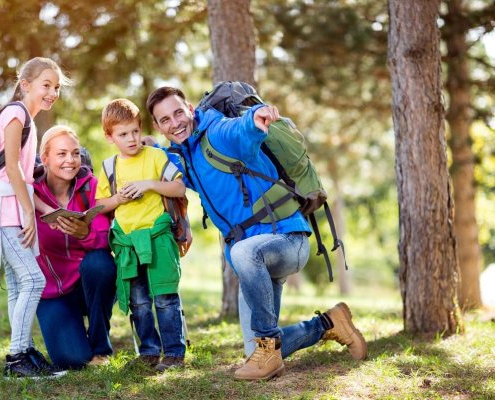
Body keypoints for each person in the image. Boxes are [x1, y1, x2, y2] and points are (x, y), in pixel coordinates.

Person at [146, 86, 367, 381]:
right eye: (165, 120)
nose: (175, 123)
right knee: (257, 350)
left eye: (178, 113)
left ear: (189, 108)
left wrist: (255, 117)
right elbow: (173, 167)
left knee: (242, 253)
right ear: (158, 126)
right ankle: (329, 323)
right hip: (255, 258)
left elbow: (239, 130)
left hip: (287, 240)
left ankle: (268, 344)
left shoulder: (217, 133)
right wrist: (147, 149)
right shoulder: (187, 157)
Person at [0, 57, 72, 378]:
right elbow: (13, 168)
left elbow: (23, 177)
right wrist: (29, 212)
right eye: (46, 85)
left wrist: (46, 211)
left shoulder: (27, 118)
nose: (52, 92)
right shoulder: (16, 113)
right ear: (26, 84)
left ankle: (25, 351)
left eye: (56, 87)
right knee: (34, 280)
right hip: (4, 212)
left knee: (19, 285)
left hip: (11, 209)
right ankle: (17, 357)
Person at [95, 99, 187, 372]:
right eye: (123, 134)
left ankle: (174, 353)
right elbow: (100, 205)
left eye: (135, 131)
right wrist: (117, 199)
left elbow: (179, 188)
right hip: (128, 244)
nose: (132, 139)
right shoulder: (110, 167)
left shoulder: (156, 157)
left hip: (158, 239)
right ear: (109, 137)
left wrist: (150, 185)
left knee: (165, 296)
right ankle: (148, 350)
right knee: (139, 302)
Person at [32, 125, 117, 370]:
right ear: (45, 158)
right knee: (72, 361)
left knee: (100, 263)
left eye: (75, 153)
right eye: (61, 154)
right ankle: (76, 334)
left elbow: (104, 237)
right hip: (52, 293)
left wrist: (85, 234)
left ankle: (101, 347)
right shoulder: (30, 192)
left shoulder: (91, 186)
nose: (70, 160)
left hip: (87, 284)